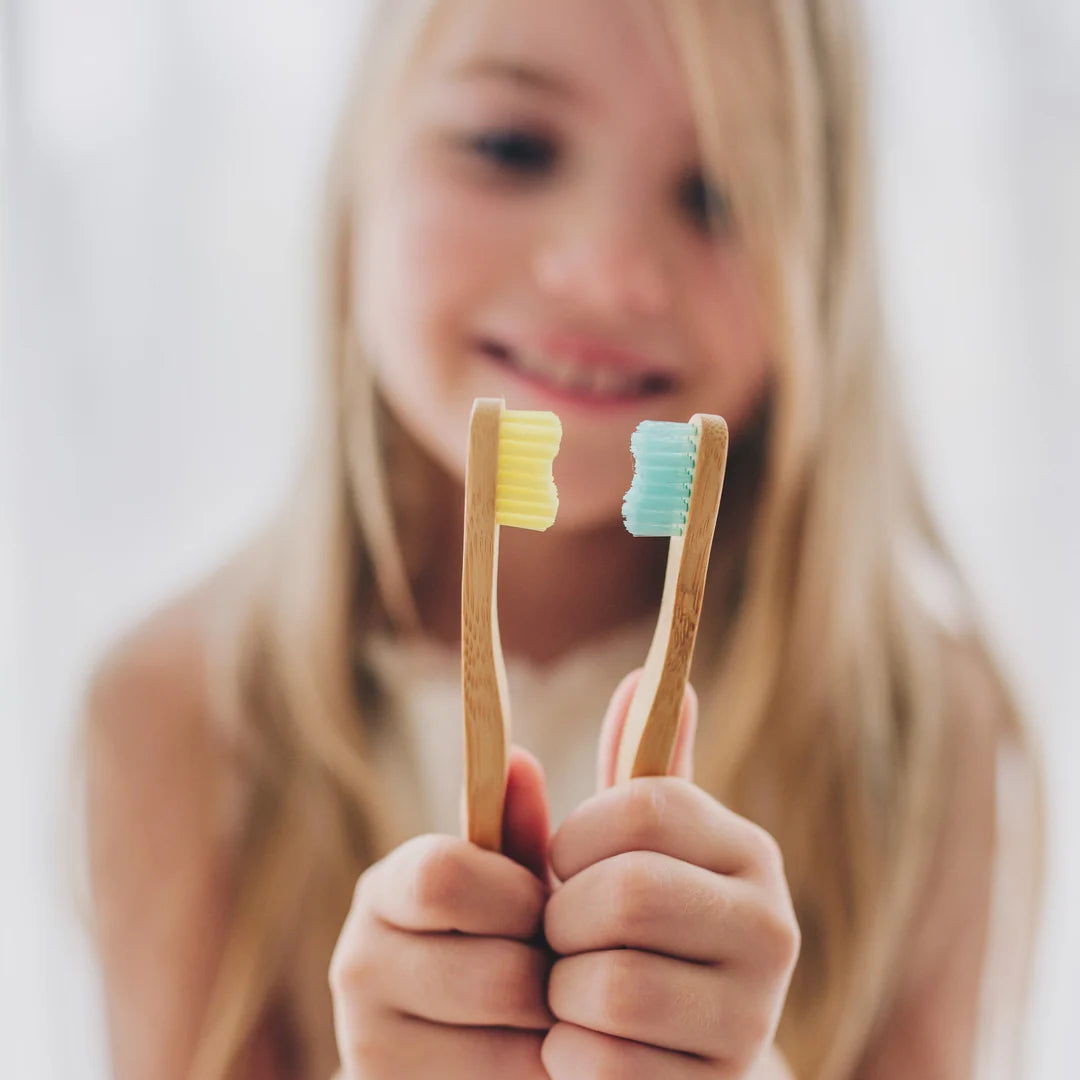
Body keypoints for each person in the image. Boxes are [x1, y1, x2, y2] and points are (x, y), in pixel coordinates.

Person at [83, 1, 1044, 1078]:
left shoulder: (913, 732)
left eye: (722, 192)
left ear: (826, 262)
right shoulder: (175, 716)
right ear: (361, 167)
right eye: (510, 146)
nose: (608, 272)